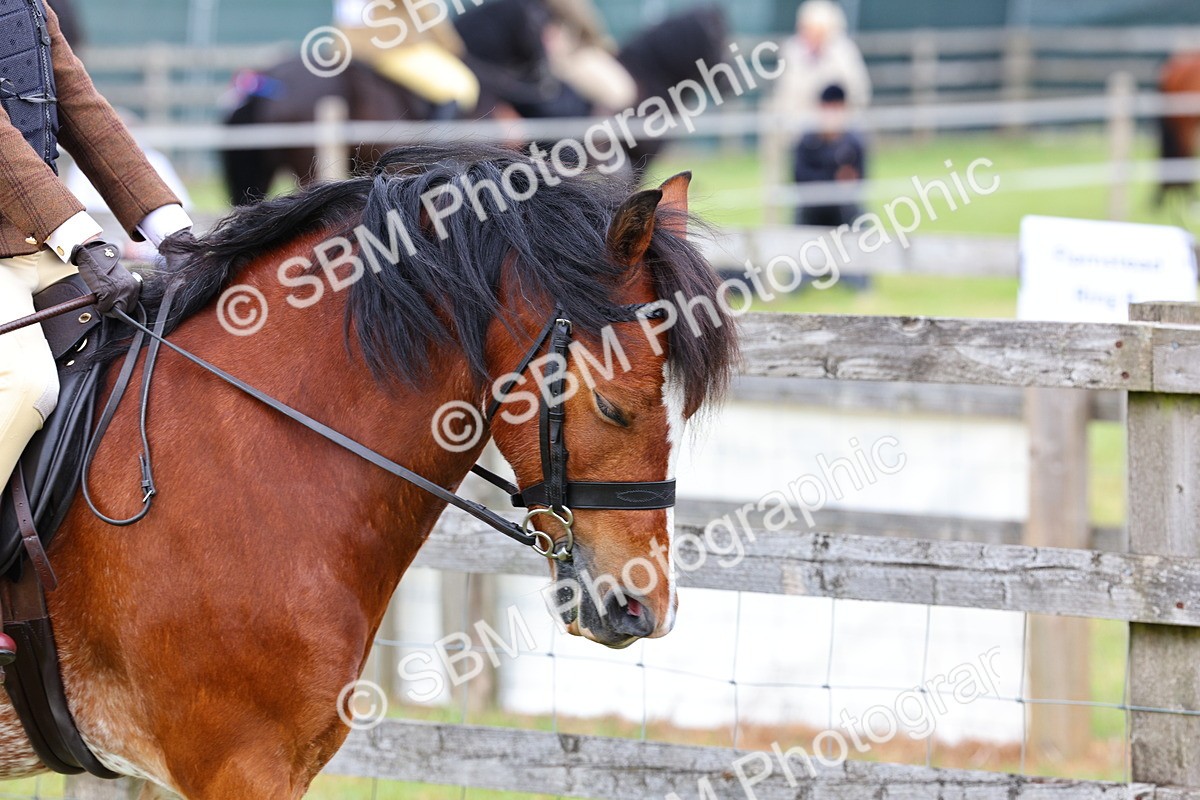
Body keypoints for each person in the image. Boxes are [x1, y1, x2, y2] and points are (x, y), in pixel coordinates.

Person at [0, 0, 192, 489]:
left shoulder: (28, 8)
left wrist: (174, 234)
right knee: (26, 383)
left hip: (38, 241)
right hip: (35, 243)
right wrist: (84, 242)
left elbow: (85, 109)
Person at [335, 0, 480, 115]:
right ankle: (435, 142)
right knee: (459, 88)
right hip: (390, 48)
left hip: (348, 48)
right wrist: (452, 45)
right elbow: (426, 13)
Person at [793, 84, 865, 228]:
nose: (832, 114)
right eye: (829, 108)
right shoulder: (807, 142)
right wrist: (834, 178)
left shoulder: (853, 142)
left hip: (843, 208)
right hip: (812, 208)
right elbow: (799, 177)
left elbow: (861, 178)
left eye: (837, 108)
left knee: (858, 216)